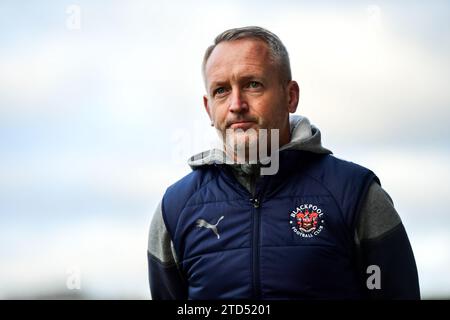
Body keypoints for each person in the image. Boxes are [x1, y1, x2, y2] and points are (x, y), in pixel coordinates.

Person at [147, 26, 420, 300]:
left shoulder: (355, 195)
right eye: (221, 90)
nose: (236, 104)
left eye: (253, 84)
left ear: (290, 96)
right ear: (208, 108)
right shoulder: (176, 208)